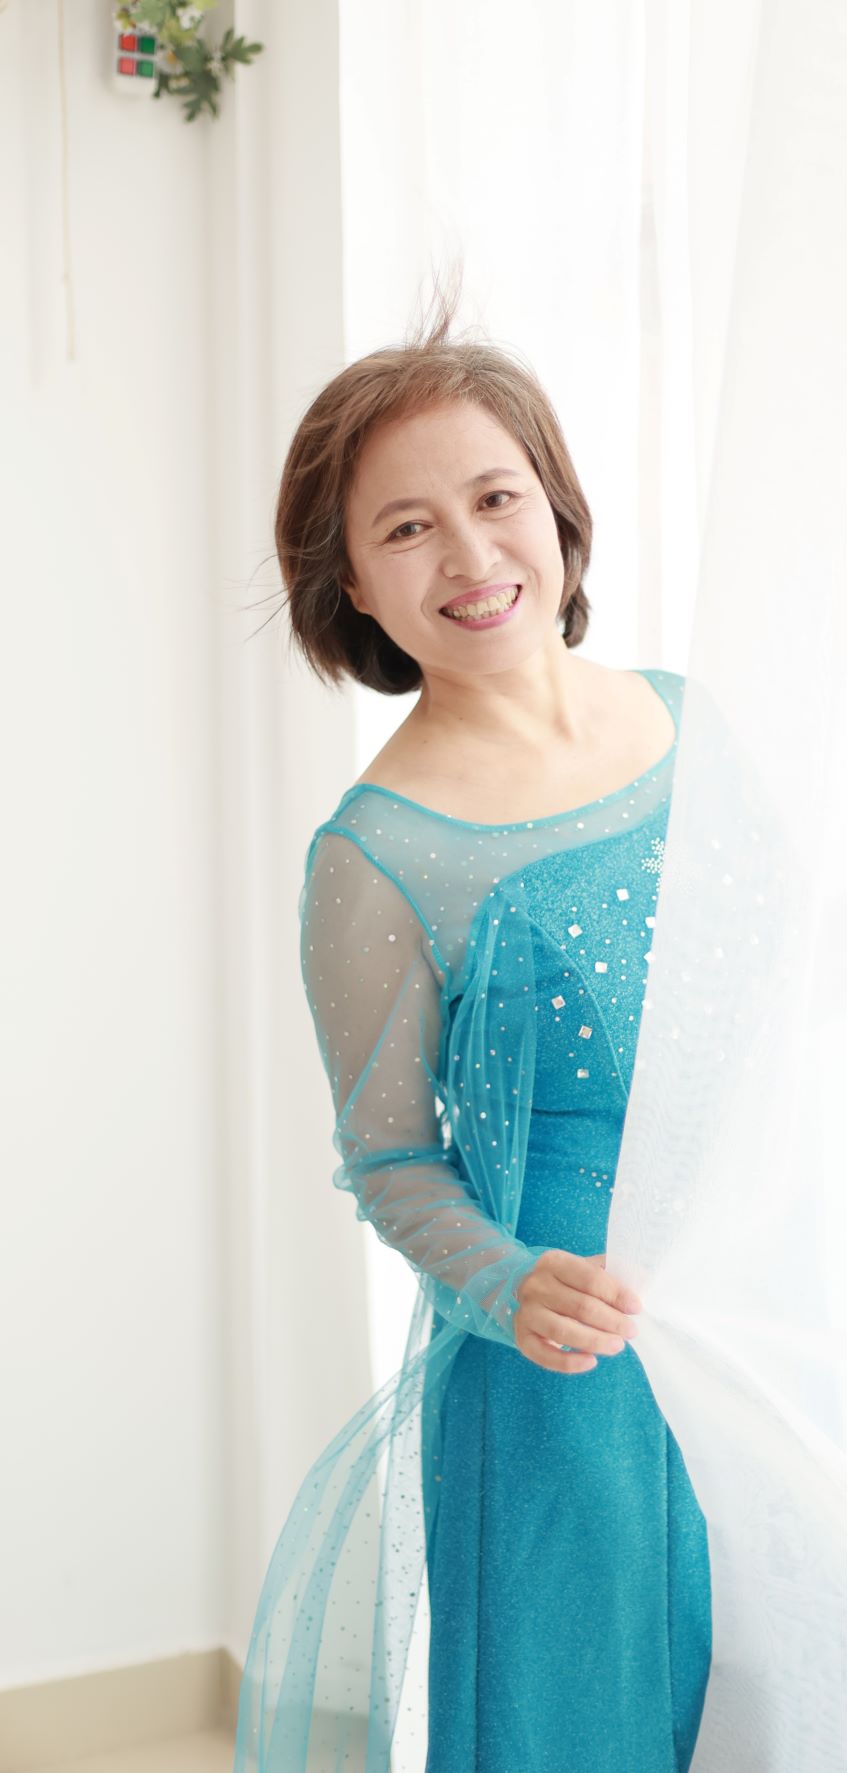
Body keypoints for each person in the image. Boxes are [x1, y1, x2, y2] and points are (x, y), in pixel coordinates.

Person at [233, 283, 712, 1773]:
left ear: (557, 507)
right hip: (565, 1365)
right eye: (406, 528)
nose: (469, 553)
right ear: (354, 591)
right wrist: (509, 1288)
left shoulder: (694, 718)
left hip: (759, 1307)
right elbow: (389, 1160)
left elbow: (798, 996)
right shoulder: (375, 855)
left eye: (495, 497)